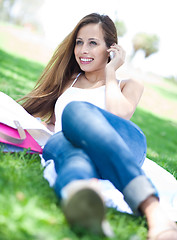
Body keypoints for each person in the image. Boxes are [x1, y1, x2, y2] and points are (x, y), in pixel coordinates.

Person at [21, 13, 177, 239]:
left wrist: (111, 72)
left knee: (76, 111)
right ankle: (83, 202)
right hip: (67, 144)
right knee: (67, 146)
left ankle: (154, 210)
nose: (83, 50)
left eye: (93, 43)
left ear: (111, 49)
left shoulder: (130, 84)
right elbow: (53, 123)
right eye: (79, 42)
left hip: (122, 144)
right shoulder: (68, 81)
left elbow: (118, 114)